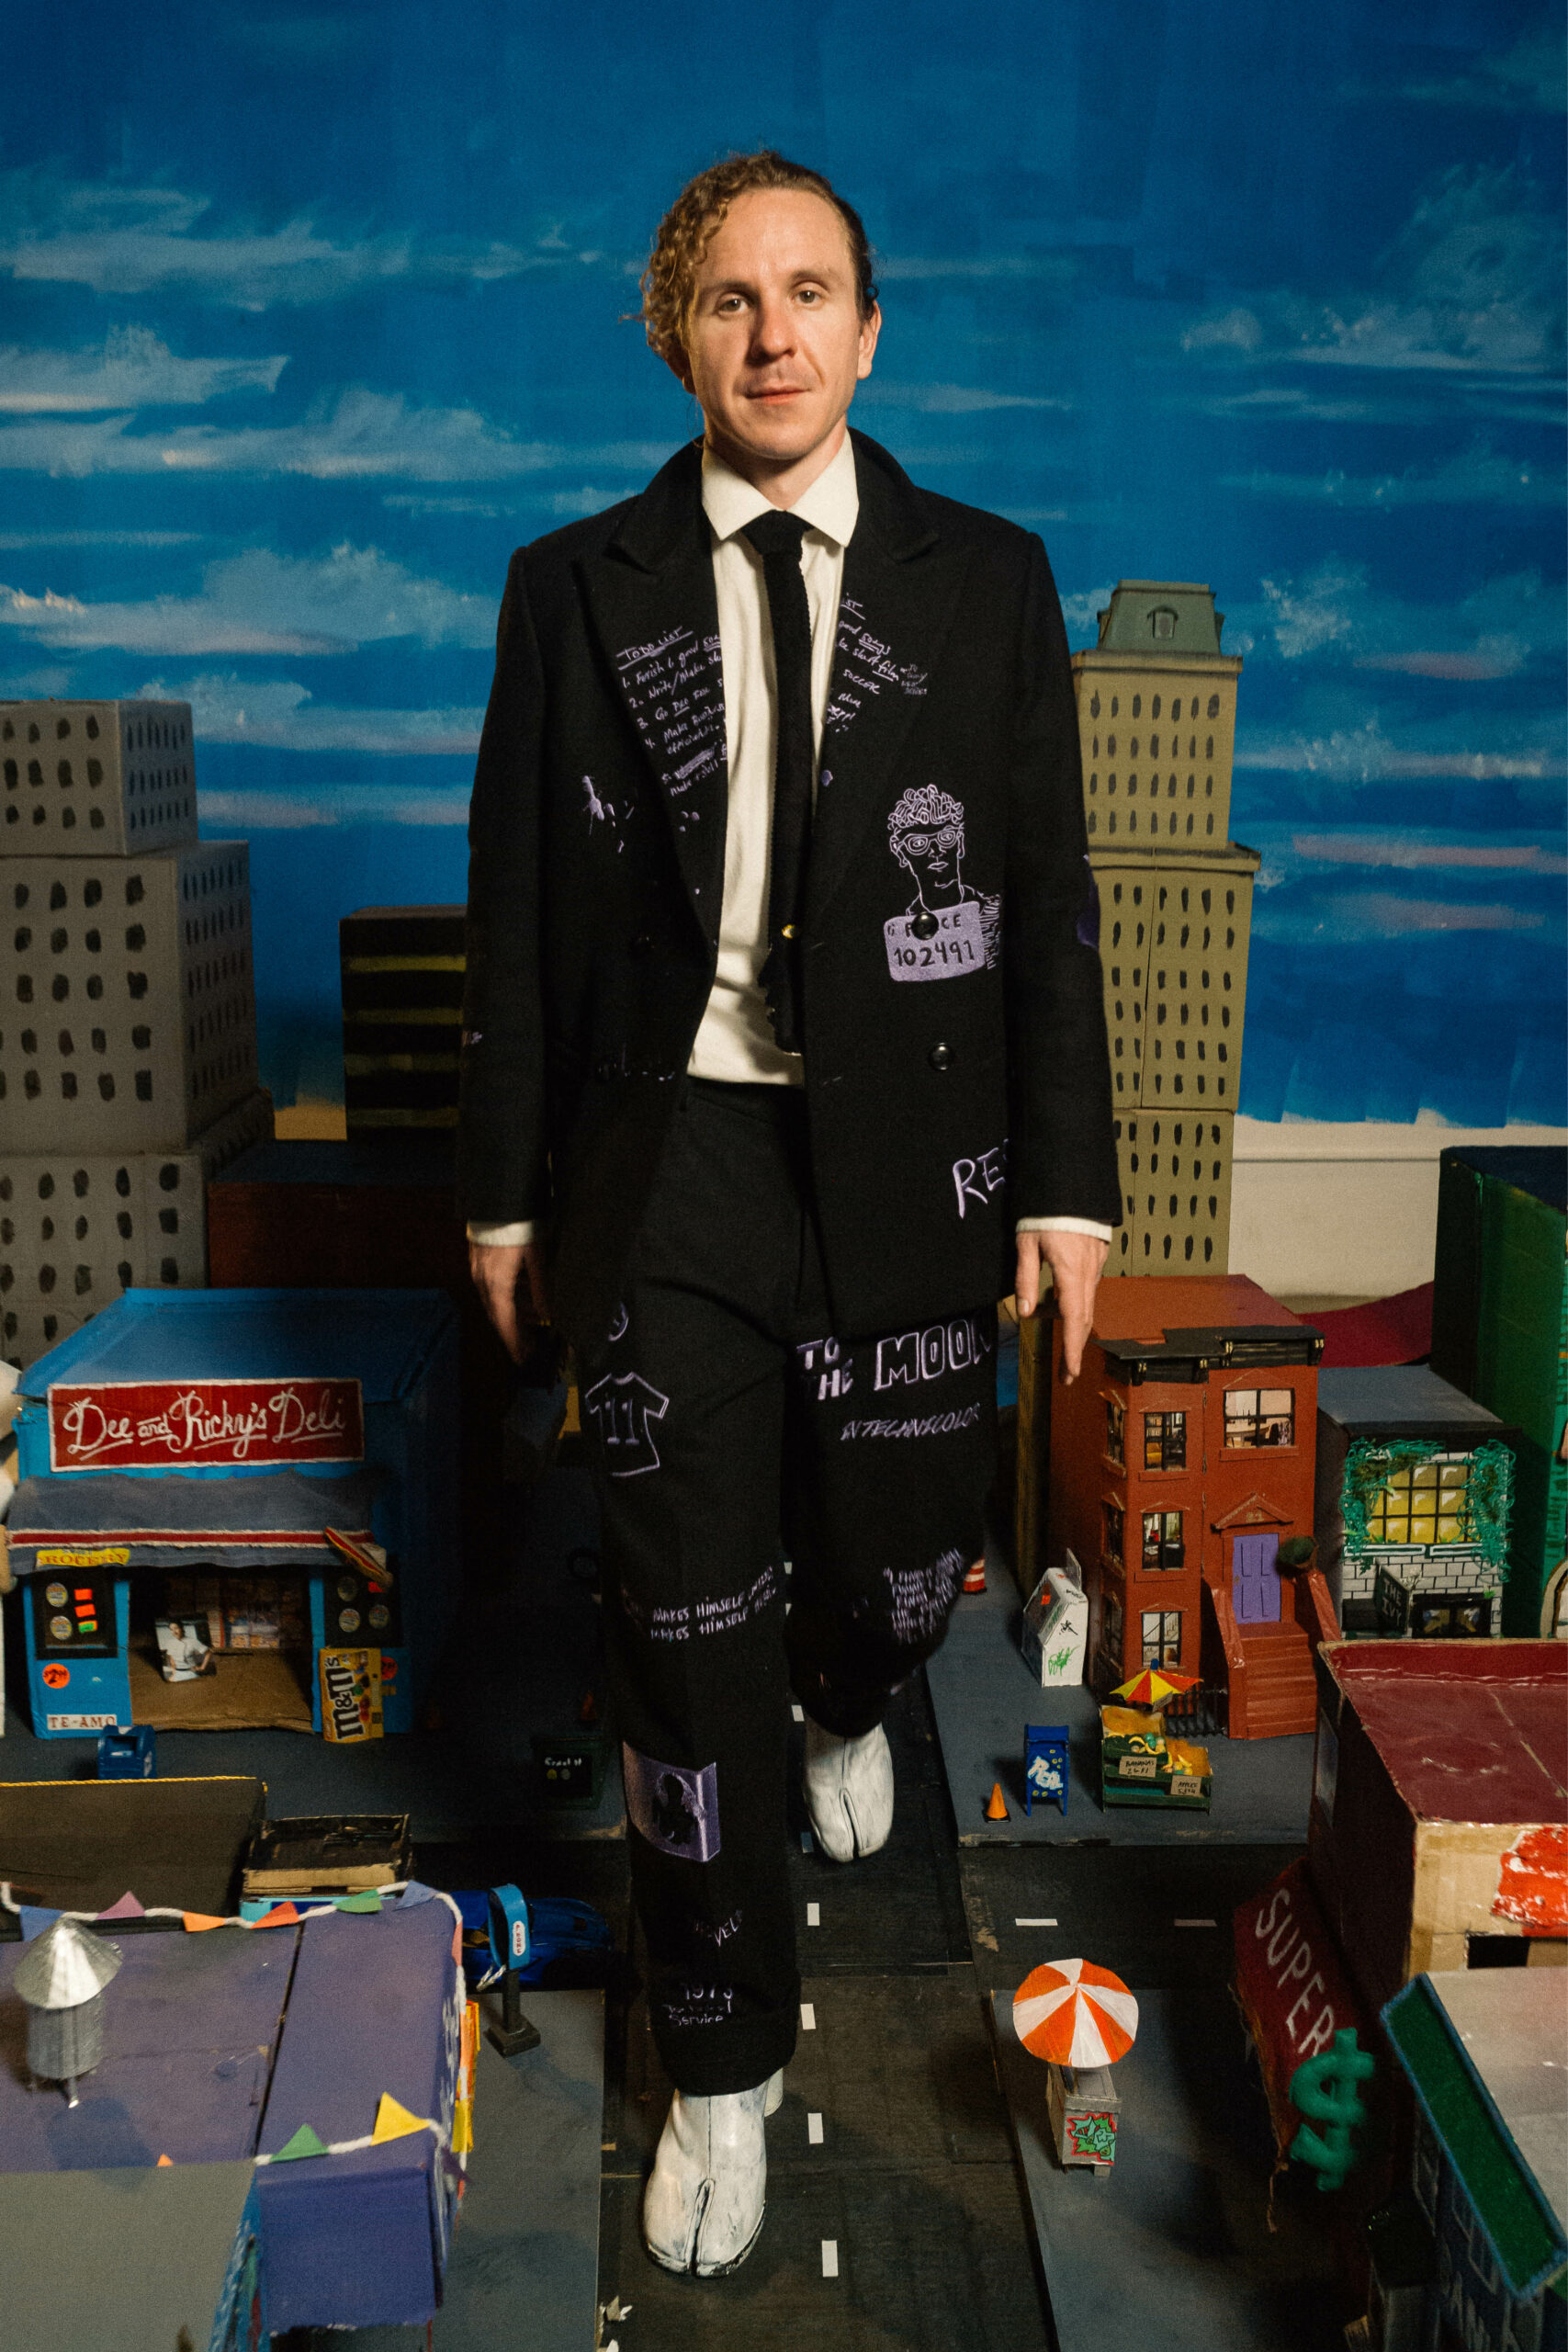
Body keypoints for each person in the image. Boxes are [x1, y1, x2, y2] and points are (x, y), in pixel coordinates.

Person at [460, 150, 1119, 2277]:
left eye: (809, 290)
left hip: (913, 1166)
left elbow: (1048, 902)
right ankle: (723, 2062)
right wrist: (499, 1198)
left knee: (901, 1567)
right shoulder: (574, 588)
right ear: (677, 336)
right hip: (673, 1170)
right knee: (681, 1632)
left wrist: (1069, 1184)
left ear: (867, 328)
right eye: (730, 298)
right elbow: (516, 919)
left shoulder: (986, 579)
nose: (772, 333)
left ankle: (850, 1693)